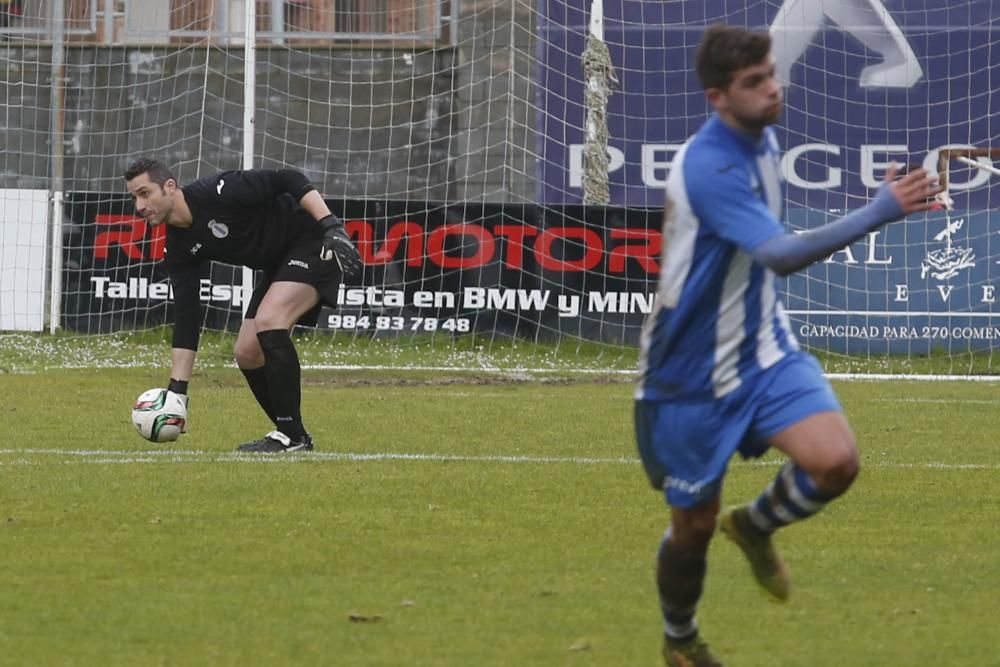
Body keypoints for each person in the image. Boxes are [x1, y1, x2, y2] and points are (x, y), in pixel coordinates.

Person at [634, 25, 941, 667]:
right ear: (717, 96)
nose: (773, 89)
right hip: (687, 373)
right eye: (754, 83)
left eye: (772, 74)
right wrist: (880, 208)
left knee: (835, 461)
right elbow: (777, 255)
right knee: (691, 527)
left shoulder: (764, 138)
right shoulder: (709, 164)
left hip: (765, 347)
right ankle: (681, 639)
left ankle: (755, 525)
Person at [124, 158, 362, 453]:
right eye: (134, 197)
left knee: (270, 320)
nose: (139, 206)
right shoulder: (178, 248)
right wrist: (177, 391)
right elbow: (187, 316)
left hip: (315, 242)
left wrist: (331, 227)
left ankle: (290, 436)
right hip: (278, 263)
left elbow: (287, 178)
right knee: (247, 353)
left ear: (169, 187)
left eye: (144, 193)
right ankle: (294, 435)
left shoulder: (219, 190)